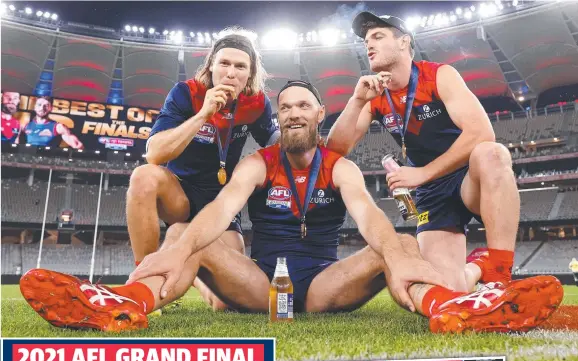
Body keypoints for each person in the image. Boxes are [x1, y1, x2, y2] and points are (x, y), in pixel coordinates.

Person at [20, 81, 563, 334]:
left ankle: (448, 309)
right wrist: (181, 243)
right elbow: (223, 206)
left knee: (390, 246)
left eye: (304, 105)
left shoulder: (338, 165)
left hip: (326, 284)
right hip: (262, 285)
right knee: (193, 234)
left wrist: (399, 252)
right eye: (286, 108)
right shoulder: (261, 161)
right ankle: (125, 303)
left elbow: (371, 221)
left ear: (320, 113)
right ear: (278, 118)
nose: (295, 113)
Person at [327, 13, 520, 296]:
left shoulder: (438, 75)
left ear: (404, 42)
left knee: (491, 154)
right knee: (447, 288)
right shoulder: (375, 94)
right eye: (367, 41)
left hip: (469, 178)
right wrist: (356, 102)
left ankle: (500, 277)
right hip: (431, 193)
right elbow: (335, 151)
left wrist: (422, 173)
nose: (369, 45)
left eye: (378, 37)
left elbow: (481, 133)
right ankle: (480, 265)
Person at [126, 29, 279, 310]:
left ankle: (190, 264)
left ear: (250, 74)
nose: (231, 73)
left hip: (219, 205)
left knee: (224, 304)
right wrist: (202, 115)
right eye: (224, 64)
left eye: (240, 66)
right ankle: (144, 277)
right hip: (179, 196)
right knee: (143, 177)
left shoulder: (256, 103)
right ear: (211, 66)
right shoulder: (187, 94)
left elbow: (277, 145)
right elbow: (154, 154)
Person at [19, 96, 84, 149]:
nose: (42, 108)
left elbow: (79, 146)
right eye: (39, 105)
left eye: (46, 106)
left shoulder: (58, 127)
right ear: (34, 107)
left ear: (51, 108)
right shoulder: (26, 126)